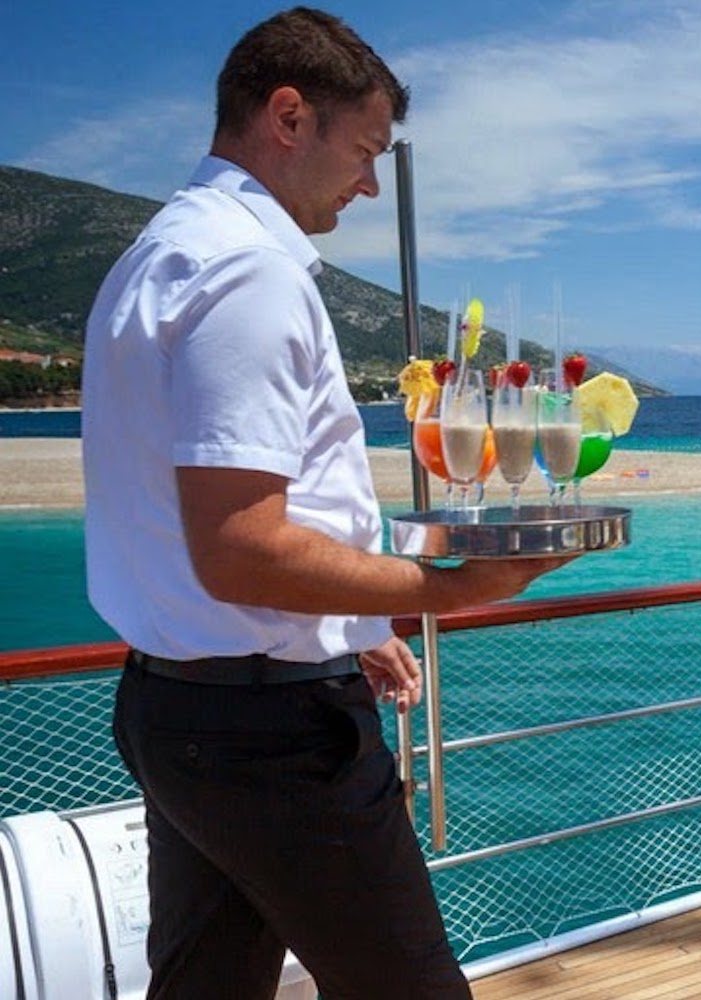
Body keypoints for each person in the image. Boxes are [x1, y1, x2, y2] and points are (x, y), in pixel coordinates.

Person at [81, 10, 570, 998]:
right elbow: (239, 548)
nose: (369, 185)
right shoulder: (251, 272)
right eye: (364, 151)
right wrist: (452, 585)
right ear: (289, 116)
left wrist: (352, 620)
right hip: (273, 738)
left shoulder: (157, 254)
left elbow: (198, 536)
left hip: (173, 704)